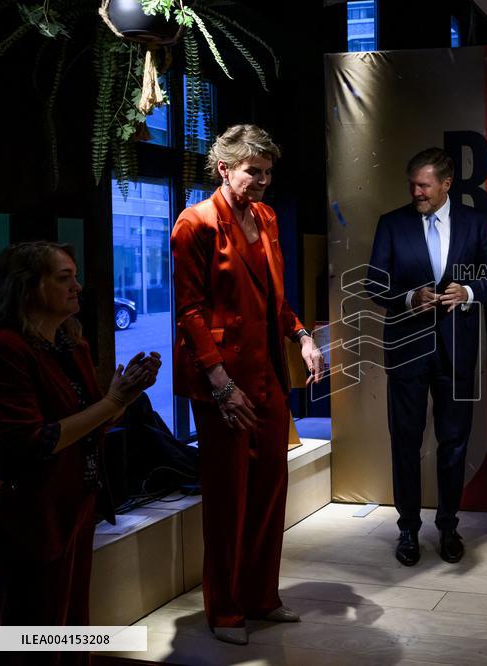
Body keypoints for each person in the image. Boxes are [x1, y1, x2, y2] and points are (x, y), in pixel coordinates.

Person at [171, 124, 324, 645]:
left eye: (267, 172)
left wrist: (301, 335)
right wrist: (218, 382)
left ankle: (262, 596)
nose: (262, 181)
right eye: (252, 172)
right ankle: (226, 610)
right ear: (224, 170)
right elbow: (189, 312)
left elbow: (274, 297)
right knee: (227, 499)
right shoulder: (194, 224)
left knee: (269, 493)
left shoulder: (267, 217)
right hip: (223, 382)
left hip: (268, 376)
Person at [0, 242, 159, 657]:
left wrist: (122, 398)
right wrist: (112, 402)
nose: (77, 287)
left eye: (75, 276)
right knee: (32, 632)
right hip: (32, 514)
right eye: (64, 278)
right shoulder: (6, 350)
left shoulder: (71, 346)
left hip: (76, 505)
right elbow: (34, 441)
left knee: (71, 623)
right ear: (27, 287)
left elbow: (88, 425)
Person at [366, 147, 487, 566]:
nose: (416, 192)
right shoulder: (392, 224)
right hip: (406, 351)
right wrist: (408, 298)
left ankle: (448, 526)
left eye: (424, 185)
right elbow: (372, 283)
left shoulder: (475, 222)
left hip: (457, 352)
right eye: (412, 185)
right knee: (405, 442)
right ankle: (407, 529)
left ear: (446, 184)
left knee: (454, 443)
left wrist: (470, 292)